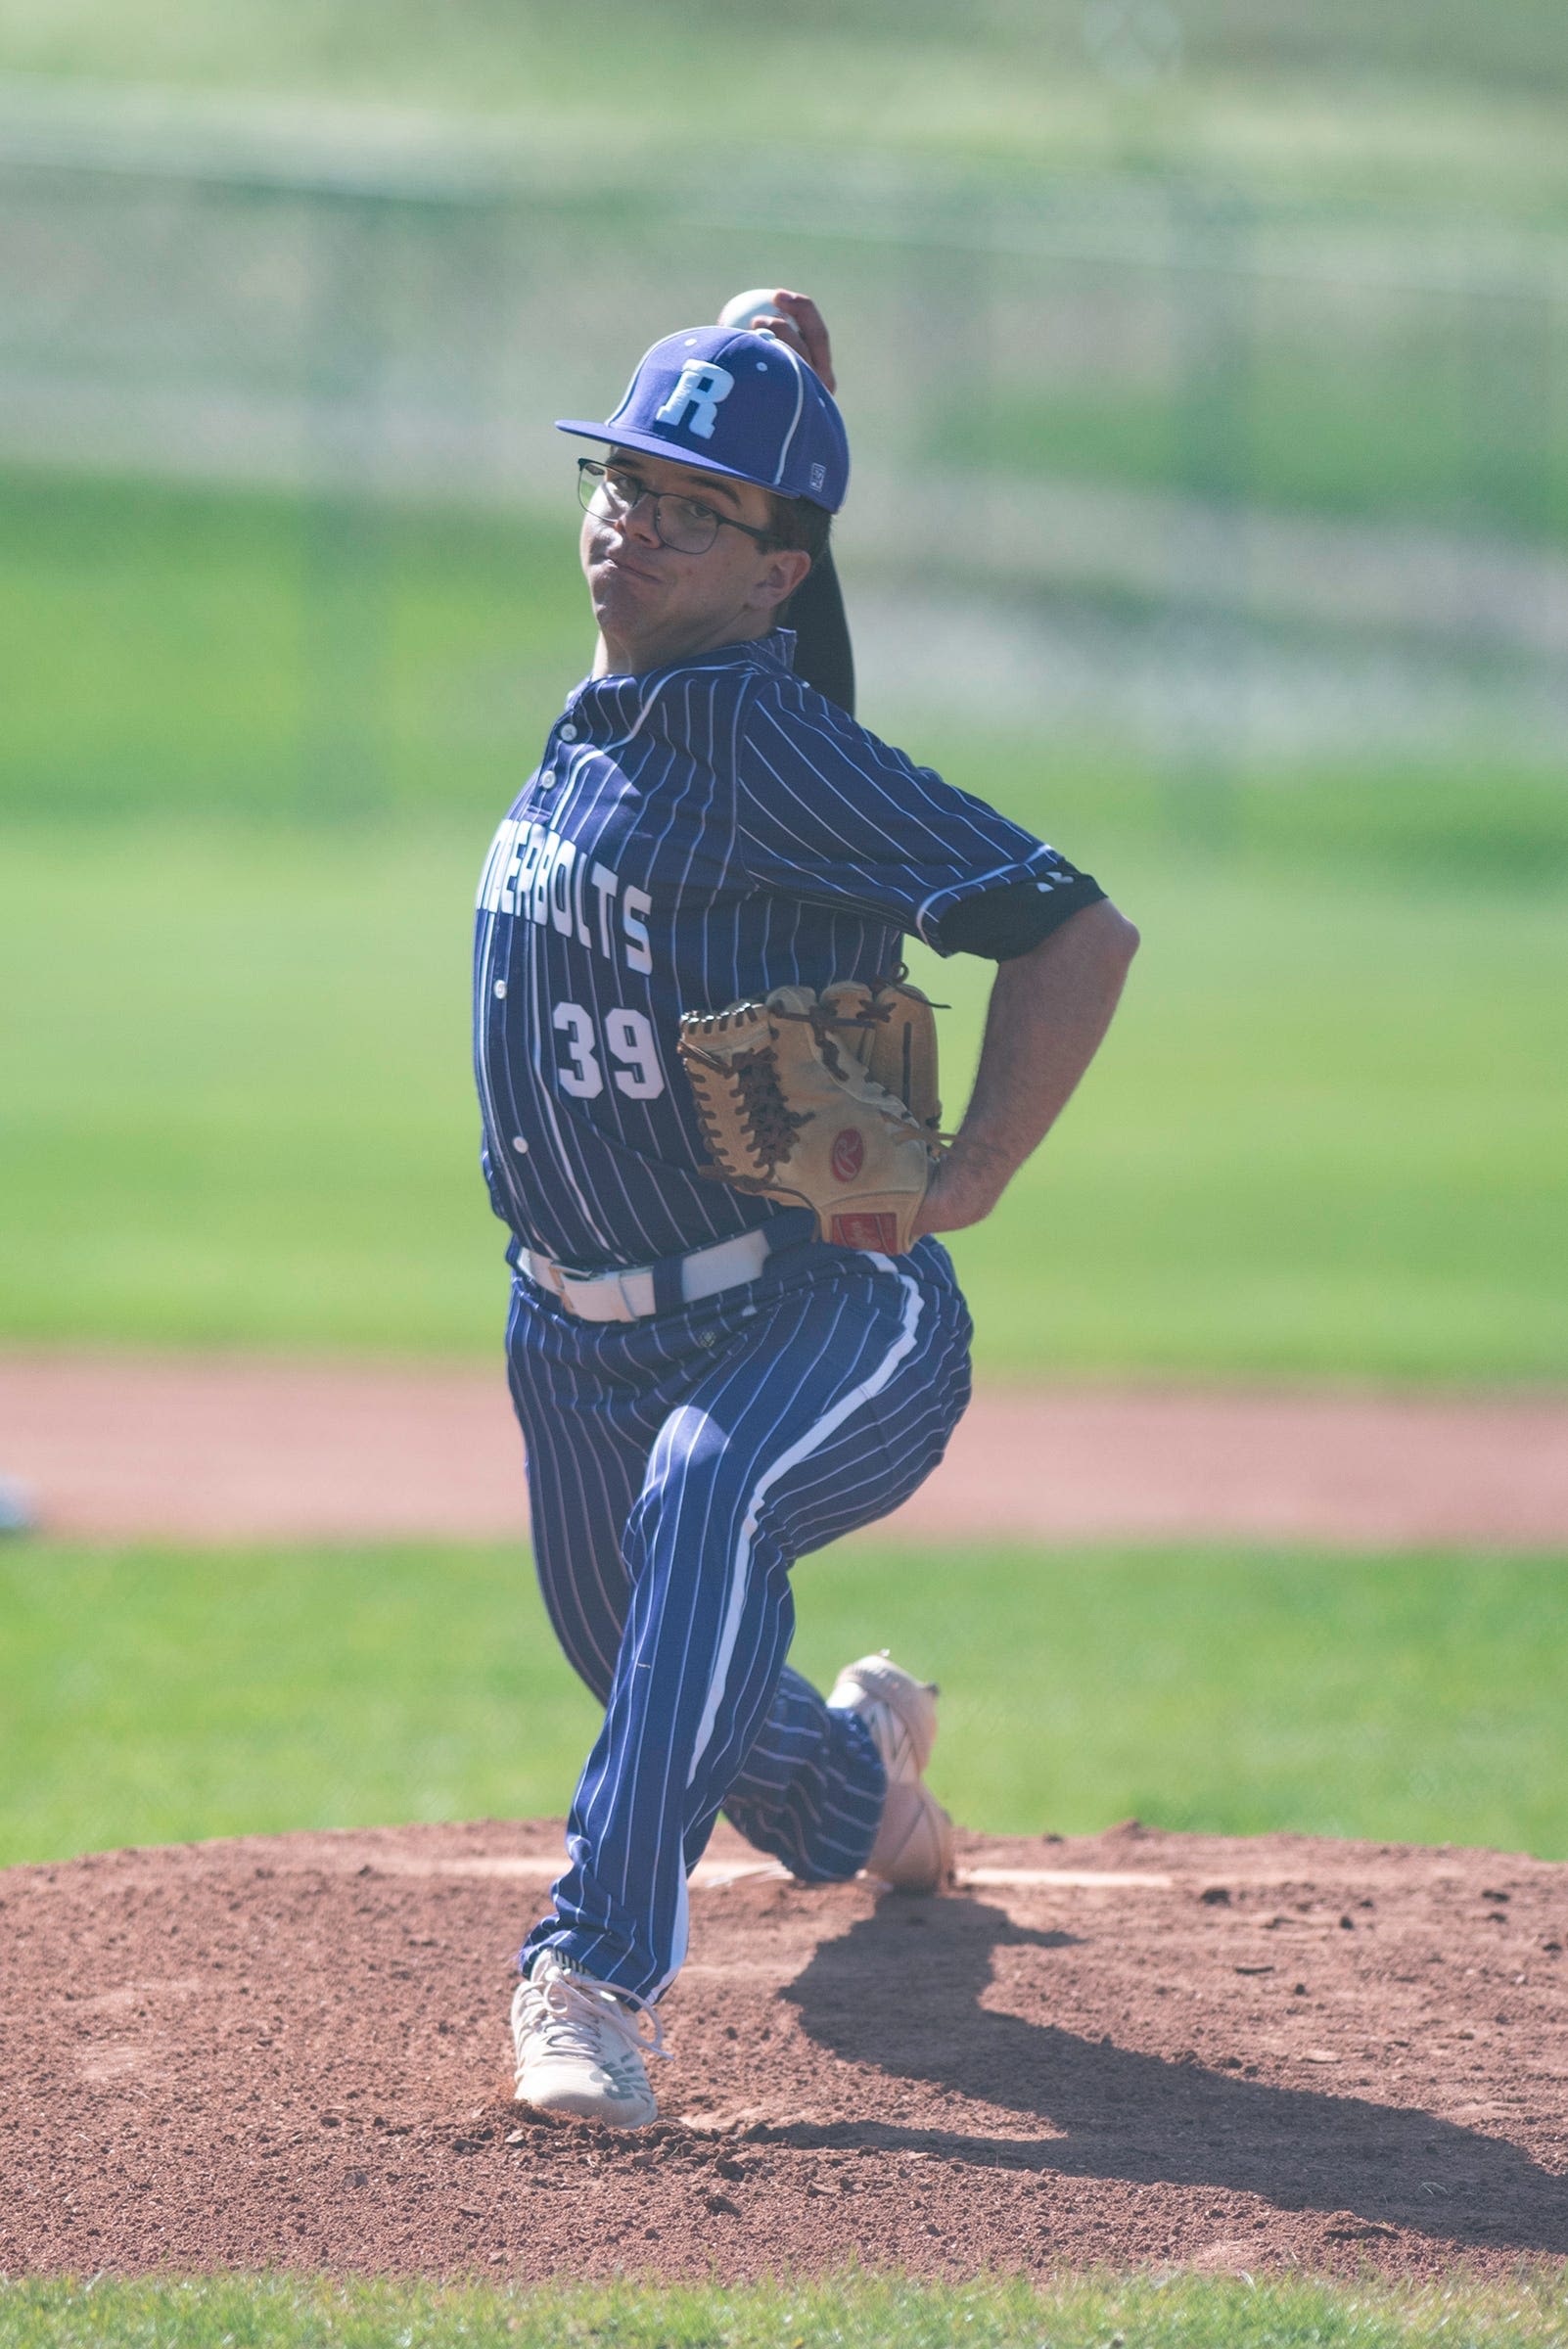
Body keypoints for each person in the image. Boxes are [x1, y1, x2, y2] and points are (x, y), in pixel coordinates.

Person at [476, 290, 1139, 2130]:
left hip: (819, 1306)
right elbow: (767, 641)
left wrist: (975, 1170)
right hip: (576, 1331)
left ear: (774, 577)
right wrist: (766, 426)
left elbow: (1074, 928)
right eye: (623, 476)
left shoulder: (759, 743)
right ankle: (871, 1787)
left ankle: (590, 1977)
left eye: (695, 507)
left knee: (710, 1495)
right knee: (653, 1657)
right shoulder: (629, 698)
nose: (631, 520)